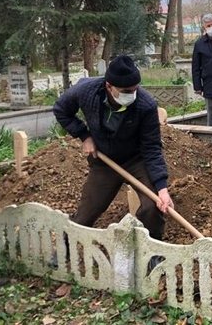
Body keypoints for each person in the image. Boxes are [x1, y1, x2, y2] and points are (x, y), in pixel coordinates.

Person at [53, 55, 173, 240]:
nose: (132, 94)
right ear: (109, 86)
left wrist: (162, 188)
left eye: (135, 89)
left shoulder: (145, 105)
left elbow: (152, 148)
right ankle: (65, 247)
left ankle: (153, 251)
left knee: (152, 207)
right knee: (87, 212)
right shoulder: (87, 91)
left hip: (136, 160)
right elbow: (61, 109)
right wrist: (85, 136)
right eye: (126, 90)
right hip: (105, 160)